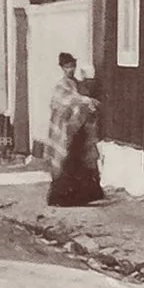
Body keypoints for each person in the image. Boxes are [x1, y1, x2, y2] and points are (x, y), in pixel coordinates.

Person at [45, 52, 103, 207]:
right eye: (67, 67)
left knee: (81, 160)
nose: (70, 70)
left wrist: (87, 105)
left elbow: (81, 100)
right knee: (66, 160)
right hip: (66, 130)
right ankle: (62, 197)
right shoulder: (61, 86)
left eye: (72, 66)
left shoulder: (78, 84)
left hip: (79, 130)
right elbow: (62, 102)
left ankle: (81, 196)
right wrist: (84, 101)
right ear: (62, 68)